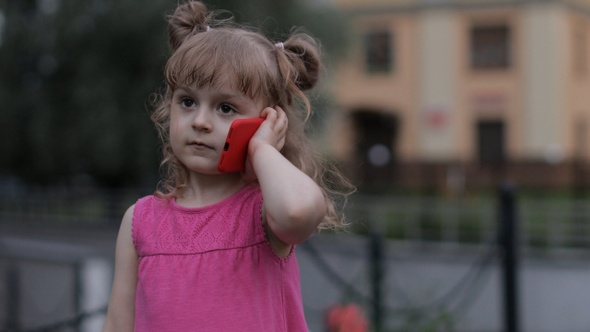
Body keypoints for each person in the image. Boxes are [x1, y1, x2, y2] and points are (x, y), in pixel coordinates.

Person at [102, 1, 353, 331]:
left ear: (266, 121)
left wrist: (261, 149)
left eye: (225, 107)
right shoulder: (139, 222)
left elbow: (299, 211)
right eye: (188, 101)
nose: (201, 121)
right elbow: (118, 325)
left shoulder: (262, 213)